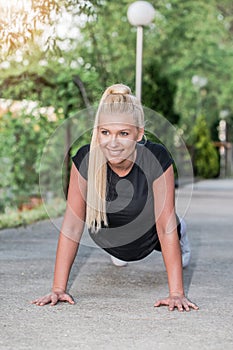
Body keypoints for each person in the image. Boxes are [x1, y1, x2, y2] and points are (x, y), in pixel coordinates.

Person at [31, 84, 198, 312]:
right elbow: (71, 225)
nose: (113, 143)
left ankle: (183, 231)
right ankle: (120, 247)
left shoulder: (156, 157)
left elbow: (164, 225)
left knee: (170, 223)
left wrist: (176, 293)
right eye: (105, 132)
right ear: (97, 132)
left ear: (139, 134)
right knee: (106, 227)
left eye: (124, 133)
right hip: (108, 234)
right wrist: (58, 288)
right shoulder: (86, 159)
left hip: (150, 233)